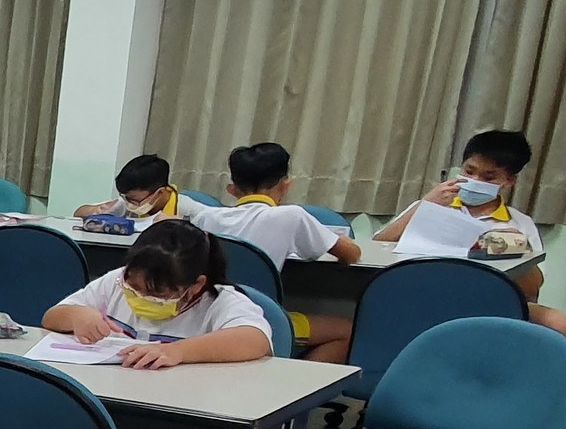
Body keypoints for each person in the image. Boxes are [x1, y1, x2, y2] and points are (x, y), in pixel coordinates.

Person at [374, 129, 566, 335]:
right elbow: (378, 244)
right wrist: (424, 207)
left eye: (489, 177)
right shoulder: (432, 204)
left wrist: (518, 247)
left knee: (556, 321)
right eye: (469, 171)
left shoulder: (519, 223)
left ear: (509, 180)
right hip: (426, 292)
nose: (475, 180)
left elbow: (533, 287)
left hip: (489, 301)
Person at [186, 142, 362, 361]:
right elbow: (351, 254)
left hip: (204, 315)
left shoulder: (205, 218)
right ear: (286, 185)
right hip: (262, 317)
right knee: (347, 331)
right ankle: (296, 382)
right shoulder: (292, 216)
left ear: (232, 189)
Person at [44, 218, 273, 369]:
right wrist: (77, 316)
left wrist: (177, 351)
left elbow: (255, 340)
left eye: (157, 292)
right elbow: (51, 317)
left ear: (196, 285)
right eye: (133, 286)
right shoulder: (115, 281)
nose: (140, 296)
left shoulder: (220, 302)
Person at [74, 154, 180, 220]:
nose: (129, 204)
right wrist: (96, 210)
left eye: (135, 200)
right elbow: (78, 213)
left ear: (160, 193)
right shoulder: (126, 204)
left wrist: (181, 221)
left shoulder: (186, 208)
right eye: (126, 198)